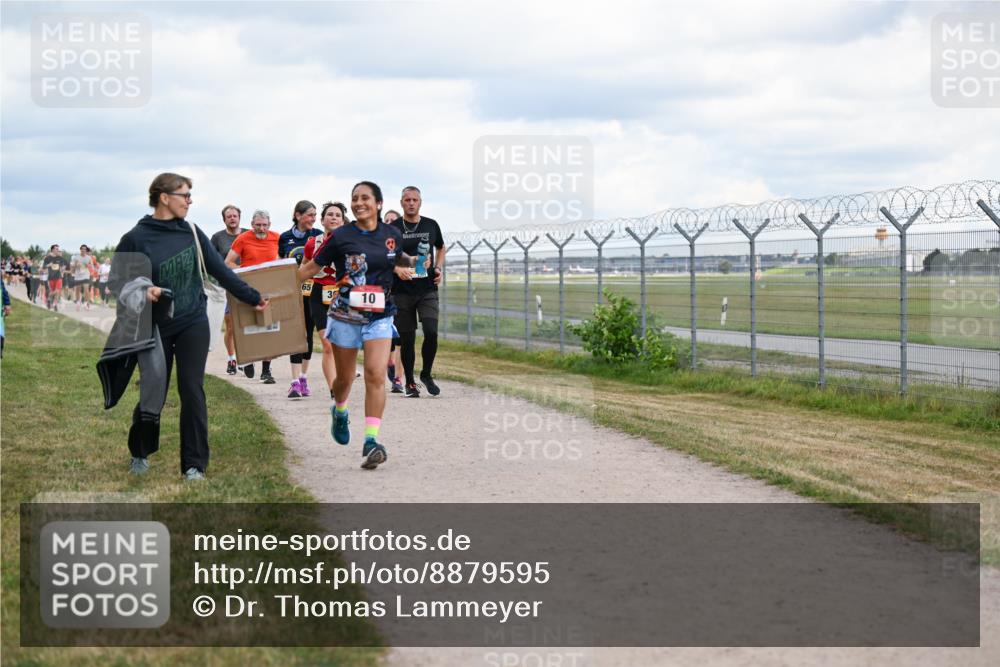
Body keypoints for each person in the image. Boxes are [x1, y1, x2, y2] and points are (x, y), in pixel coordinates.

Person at [102, 172, 268, 481]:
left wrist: (252, 297)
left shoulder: (191, 231)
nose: (190, 201)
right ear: (164, 197)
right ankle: (140, 451)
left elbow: (220, 270)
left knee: (192, 389)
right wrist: (144, 290)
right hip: (155, 326)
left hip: (193, 319)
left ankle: (194, 465)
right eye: (185, 195)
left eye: (190, 195)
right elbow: (117, 282)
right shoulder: (136, 237)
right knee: (155, 390)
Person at [297, 181, 416, 470]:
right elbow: (312, 267)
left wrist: (406, 266)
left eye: (365, 198)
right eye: (354, 198)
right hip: (345, 315)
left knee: (376, 374)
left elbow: (394, 258)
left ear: (378, 203)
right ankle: (339, 411)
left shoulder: (392, 234)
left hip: (380, 314)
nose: (359, 203)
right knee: (345, 379)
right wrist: (277, 287)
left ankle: (371, 441)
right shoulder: (340, 236)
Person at [391, 186, 446, 397]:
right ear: (401, 202)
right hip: (402, 290)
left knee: (431, 332)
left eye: (415, 200)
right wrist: (397, 269)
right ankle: (410, 383)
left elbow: (441, 247)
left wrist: (439, 268)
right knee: (407, 339)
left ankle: (426, 374)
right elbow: (384, 255)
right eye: (407, 200)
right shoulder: (394, 228)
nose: (411, 203)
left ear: (420, 202)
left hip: (427, 288)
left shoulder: (431, 225)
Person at [225, 210, 280, 383]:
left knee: (269, 328)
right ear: (252, 225)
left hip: (269, 287)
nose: (261, 228)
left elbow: (283, 259)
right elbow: (228, 262)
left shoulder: (277, 238)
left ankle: (266, 371)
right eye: (258, 225)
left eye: (264, 225)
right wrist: (243, 274)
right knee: (249, 327)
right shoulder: (243, 238)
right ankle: (248, 359)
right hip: (248, 288)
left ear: (269, 225)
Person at [303, 202, 347, 399]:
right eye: (330, 214)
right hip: (319, 293)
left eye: (338, 215)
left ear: (343, 220)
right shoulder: (313, 243)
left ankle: (343, 378)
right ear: (322, 220)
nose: (334, 217)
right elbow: (304, 267)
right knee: (327, 344)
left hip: (342, 293)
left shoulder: (350, 243)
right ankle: (333, 389)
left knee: (342, 345)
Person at [279, 201, 322, 399]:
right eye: (310, 215)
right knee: (296, 333)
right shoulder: (285, 238)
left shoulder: (318, 236)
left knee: (308, 334)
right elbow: (280, 263)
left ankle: (304, 377)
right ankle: (294, 382)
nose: (313, 219)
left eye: (315, 215)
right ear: (298, 215)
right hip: (292, 290)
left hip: (313, 291)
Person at [211, 204, 248, 376]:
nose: (232, 218)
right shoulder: (218, 238)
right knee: (231, 326)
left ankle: (248, 357)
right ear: (224, 219)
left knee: (249, 323)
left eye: (235, 215)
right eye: (229, 216)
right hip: (228, 285)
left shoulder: (249, 234)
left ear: (239, 217)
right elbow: (212, 260)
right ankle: (232, 358)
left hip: (249, 283)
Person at [41, 245, 68, 311]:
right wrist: (48, 265)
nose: (57, 250)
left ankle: (55, 304)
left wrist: (62, 268)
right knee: (53, 291)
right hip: (51, 277)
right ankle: (49, 300)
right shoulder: (47, 258)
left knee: (57, 291)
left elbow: (62, 266)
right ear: (52, 250)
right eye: (56, 249)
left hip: (58, 277)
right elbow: (43, 267)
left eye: (58, 249)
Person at [71, 244, 95, 309]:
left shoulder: (89, 258)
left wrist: (89, 266)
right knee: (77, 289)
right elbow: (72, 268)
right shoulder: (76, 257)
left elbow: (92, 266)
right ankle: (78, 302)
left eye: (85, 249)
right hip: (78, 275)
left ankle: (86, 303)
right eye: (82, 249)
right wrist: (76, 265)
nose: (84, 250)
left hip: (86, 275)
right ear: (80, 250)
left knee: (86, 289)